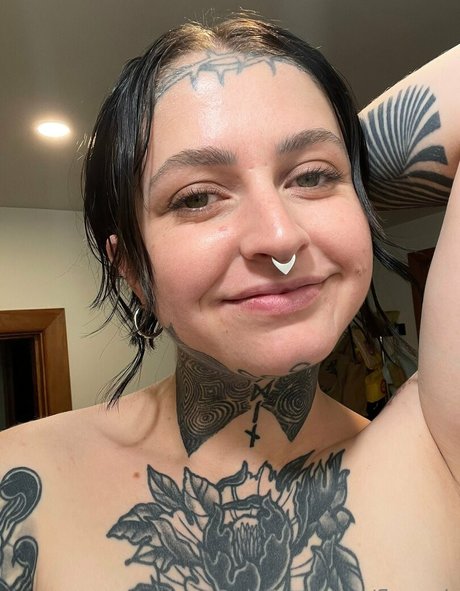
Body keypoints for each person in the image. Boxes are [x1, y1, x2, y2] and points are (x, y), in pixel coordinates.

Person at [1, 15, 459, 590]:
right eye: (197, 197)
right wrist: (320, 164)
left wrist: (347, 163)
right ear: (133, 271)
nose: (280, 238)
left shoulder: (439, 452)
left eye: (313, 178)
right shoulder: (20, 486)